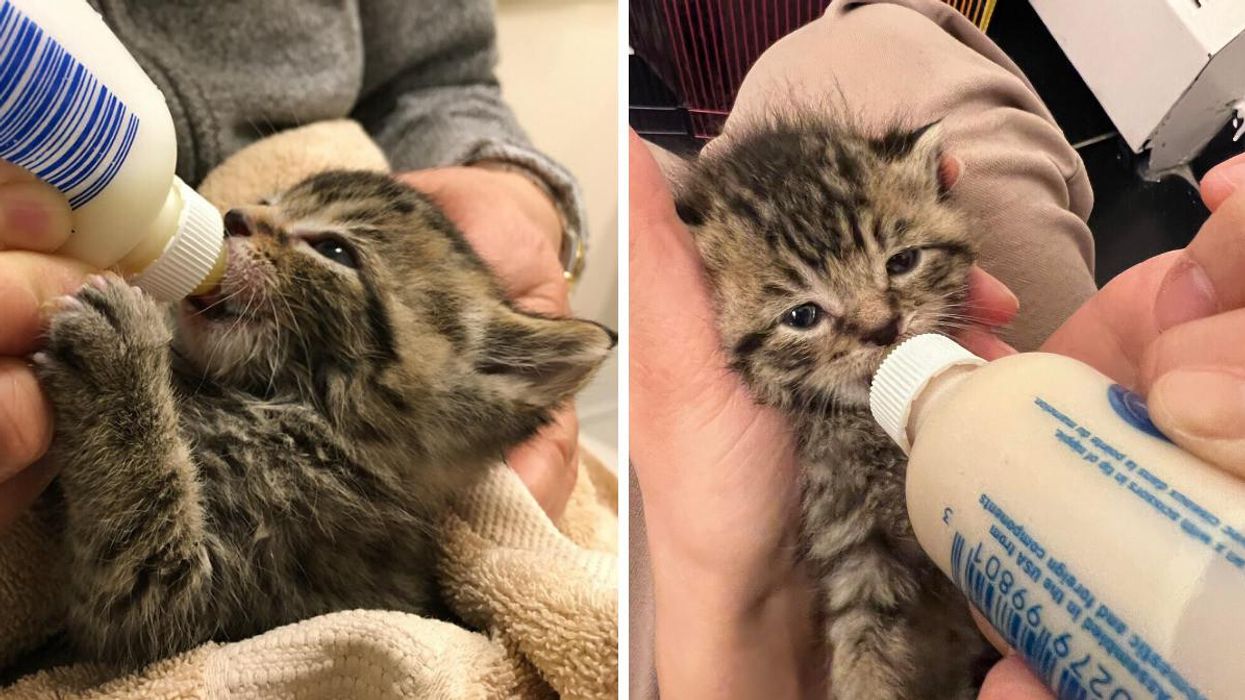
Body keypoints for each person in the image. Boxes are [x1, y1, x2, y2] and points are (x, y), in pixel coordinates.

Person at [628, 1, 1245, 697]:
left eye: (898, 264)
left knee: (876, 36)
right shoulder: (787, 431)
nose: (880, 324)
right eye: (803, 314)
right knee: (884, 37)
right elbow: (862, 584)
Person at [0, 0, 585, 530]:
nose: (242, 216)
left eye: (332, 250)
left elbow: (438, 78)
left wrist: (516, 194)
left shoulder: (334, 487)